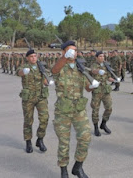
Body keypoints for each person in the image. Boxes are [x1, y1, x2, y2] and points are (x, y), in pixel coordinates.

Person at [51, 41, 99, 178]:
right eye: (70, 50)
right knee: (64, 142)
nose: (74, 52)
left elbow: (87, 88)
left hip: (79, 110)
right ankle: (63, 170)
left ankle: (78, 167)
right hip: (63, 110)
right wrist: (65, 57)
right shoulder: (60, 66)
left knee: (85, 138)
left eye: (75, 50)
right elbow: (54, 71)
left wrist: (93, 86)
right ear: (64, 52)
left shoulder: (81, 68)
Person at [16, 49, 50, 154]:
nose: (34, 58)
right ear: (27, 58)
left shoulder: (41, 67)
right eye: (31, 56)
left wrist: (47, 81)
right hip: (28, 98)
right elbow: (18, 73)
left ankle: (40, 139)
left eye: (35, 56)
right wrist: (24, 71)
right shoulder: (24, 67)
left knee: (44, 118)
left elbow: (45, 81)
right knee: (28, 121)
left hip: (41, 97)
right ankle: (28, 142)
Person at [90, 51, 115, 136]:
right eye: (100, 56)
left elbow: (108, 77)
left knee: (109, 108)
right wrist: (98, 71)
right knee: (95, 110)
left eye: (103, 56)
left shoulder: (106, 65)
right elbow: (93, 71)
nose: (102, 58)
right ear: (96, 57)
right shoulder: (93, 64)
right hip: (96, 90)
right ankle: (96, 127)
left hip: (105, 90)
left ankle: (103, 123)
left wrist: (114, 79)